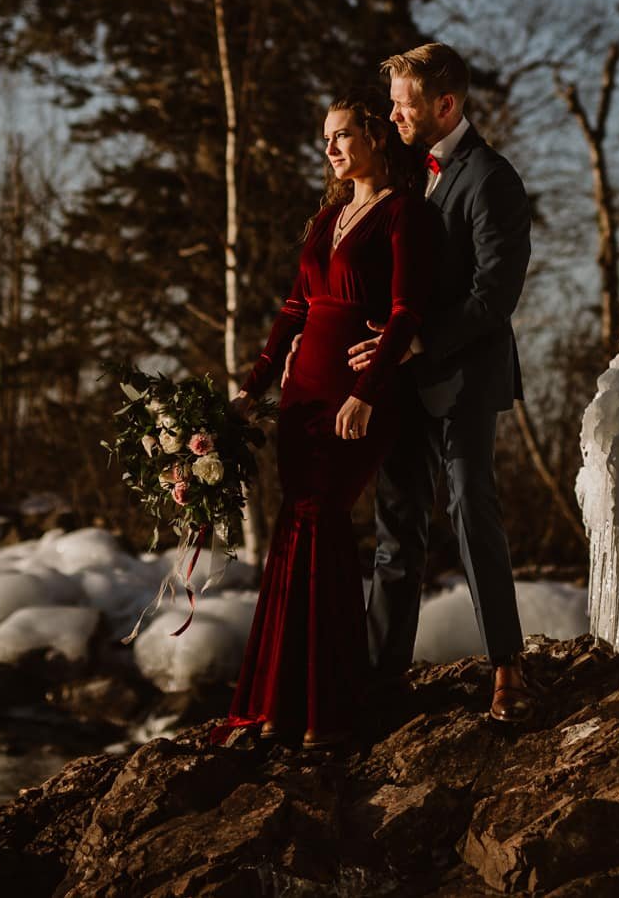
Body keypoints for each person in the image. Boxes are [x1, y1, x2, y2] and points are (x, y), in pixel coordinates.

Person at [212, 93, 438, 749]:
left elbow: (405, 312)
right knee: (294, 526)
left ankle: (326, 708)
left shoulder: (404, 214)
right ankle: (275, 702)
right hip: (302, 398)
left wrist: (367, 391)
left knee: (322, 521)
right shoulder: (329, 215)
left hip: (356, 395)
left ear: (374, 135)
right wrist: (252, 391)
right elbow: (292, 306)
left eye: (342, 135)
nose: (331, 147)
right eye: (326, 138)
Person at [357, 41, 535, 725]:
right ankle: (380, 681)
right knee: (395, 524)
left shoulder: (493, 178)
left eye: (405, 102)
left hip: (464, 373)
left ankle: (508, 669)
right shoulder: (406, 171)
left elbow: (497, 294)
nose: (394, 114)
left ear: (446, 104)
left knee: (468, 505)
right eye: (395, 101)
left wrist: (421, 338)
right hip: (404, 379)